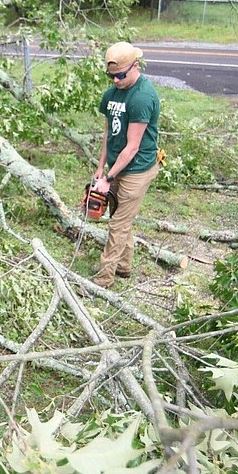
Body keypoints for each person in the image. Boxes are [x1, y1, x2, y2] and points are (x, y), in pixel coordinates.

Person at [90, 41, 160, 289]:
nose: (116, 81)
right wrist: (101, 168)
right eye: (111, 76)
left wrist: (108, 179)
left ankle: (103, 280)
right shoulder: (111, 95)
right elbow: (108, 134)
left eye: (120, 75)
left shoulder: (142, 97)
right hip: (116, 166)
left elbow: (132, 147)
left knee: (117, 224)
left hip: (137, 169)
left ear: (135, 66)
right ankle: (124, 267)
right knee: (122, 218)